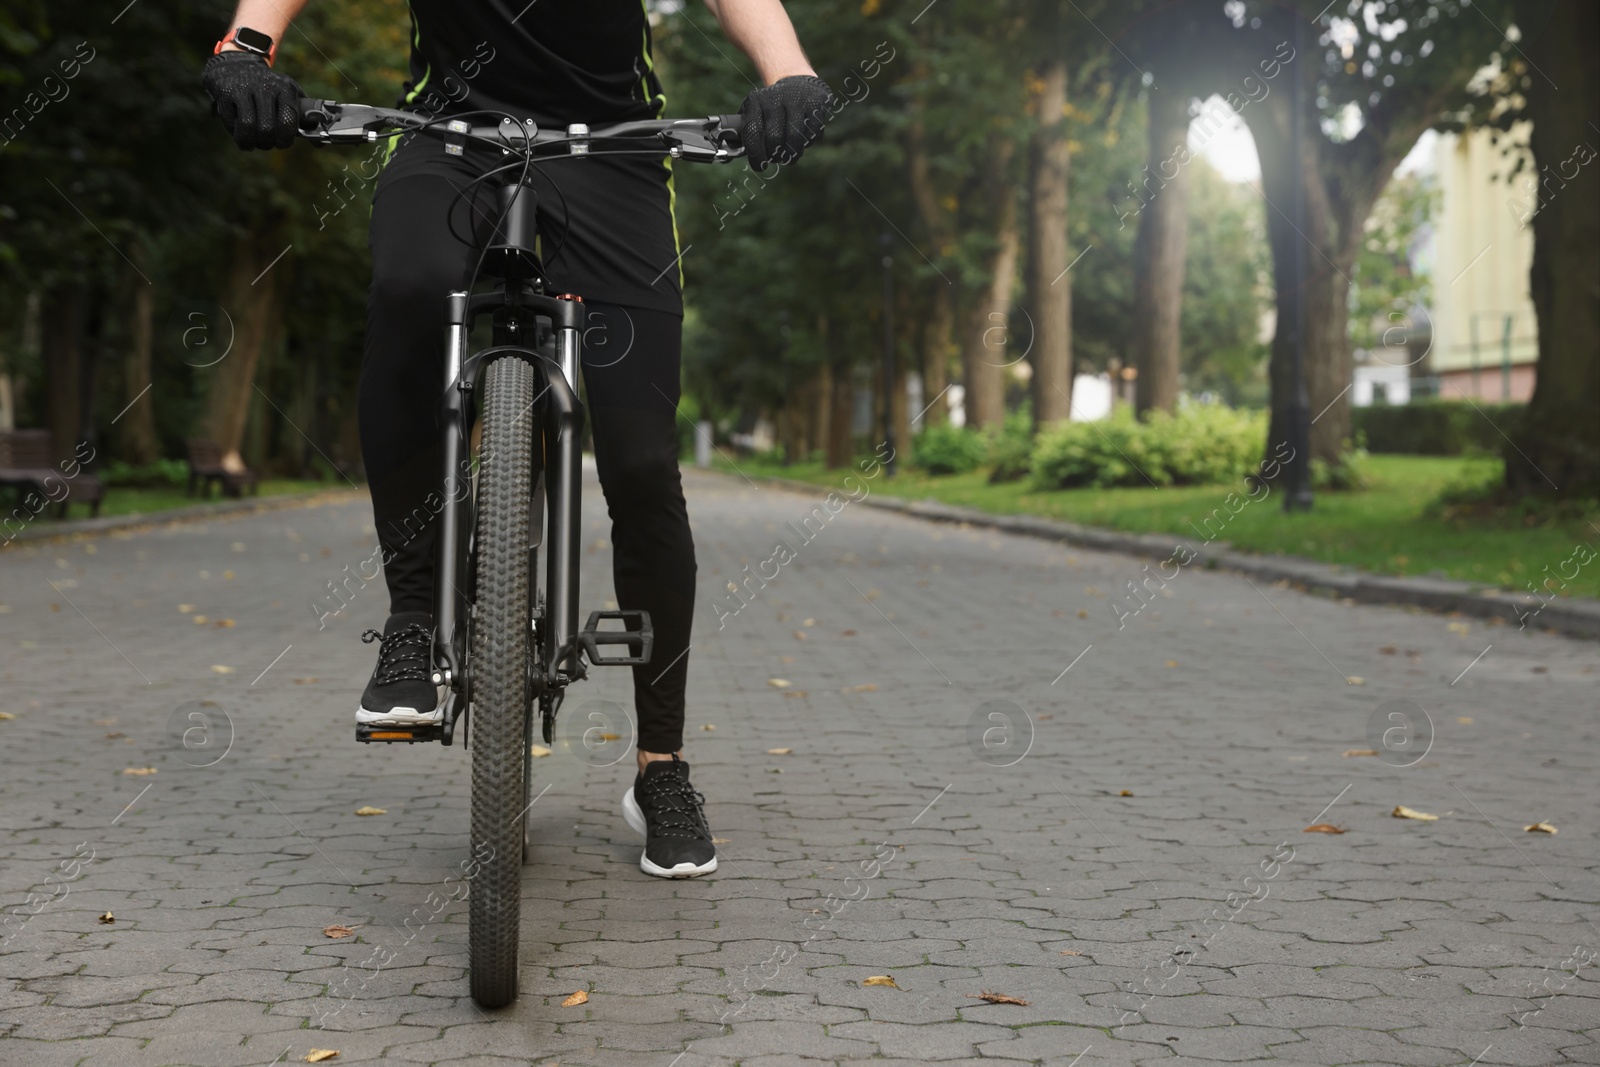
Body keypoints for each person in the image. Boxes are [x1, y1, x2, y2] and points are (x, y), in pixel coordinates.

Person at [202, 0, 833, 879]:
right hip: (446, 136)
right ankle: (415, 621)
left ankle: (662, 768)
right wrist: (247, 48)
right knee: (413, 291)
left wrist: (789, 74)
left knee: (644, 462)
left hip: (612, 150)